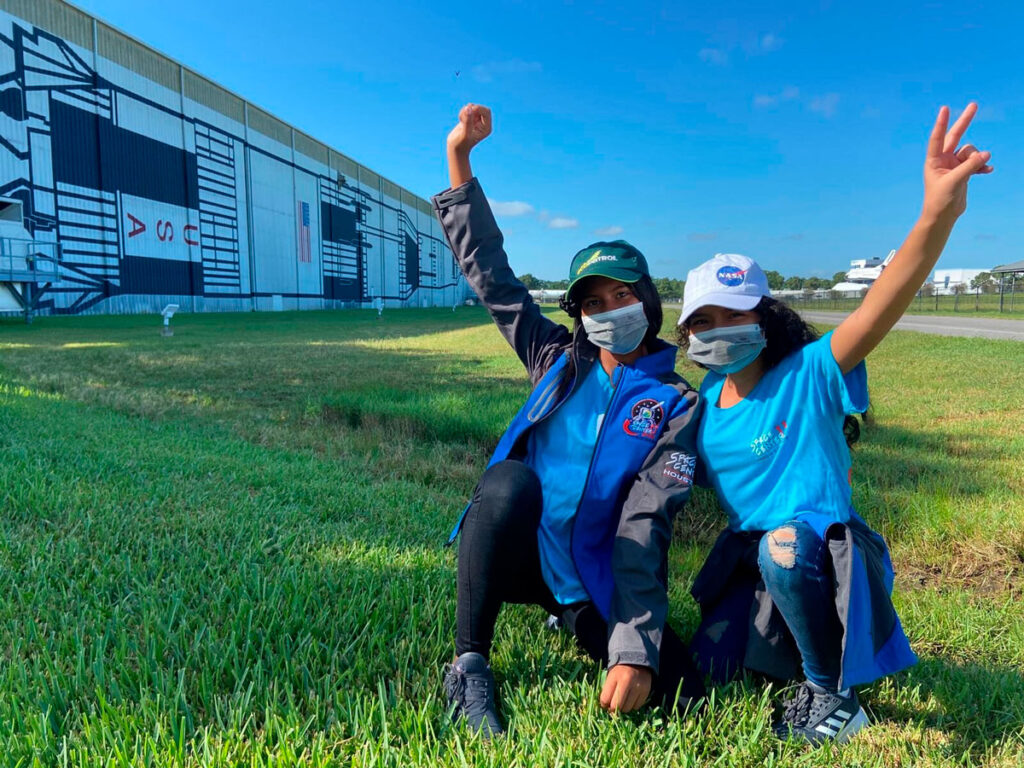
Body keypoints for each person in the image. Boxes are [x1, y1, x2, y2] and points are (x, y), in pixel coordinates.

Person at [676, 104, 992, 745]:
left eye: (732, 314)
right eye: (701, 322)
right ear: (686, 334)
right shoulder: (703, 406)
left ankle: (833, 697)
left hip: (823, 563)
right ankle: (790, 653)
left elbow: (884, 300)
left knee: (783, 546)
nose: (717, 331)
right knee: (704, 671)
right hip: (756, 570)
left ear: (762, 318)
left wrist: (937, 213)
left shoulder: (812, 373)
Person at [432, 103, 706, 737]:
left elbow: (648, 518)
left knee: (683, 694)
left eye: (622, 295)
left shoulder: (675, 403)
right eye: (592, 302)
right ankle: (469, 663)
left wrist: (636, 645)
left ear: (647, 299)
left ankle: (571, 617)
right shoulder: (553, 356)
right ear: (577, 314)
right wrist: (460, 159)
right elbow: (492, 274)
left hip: (585, 573)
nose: (608, 311)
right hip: (519, 550)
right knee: (507, 483)